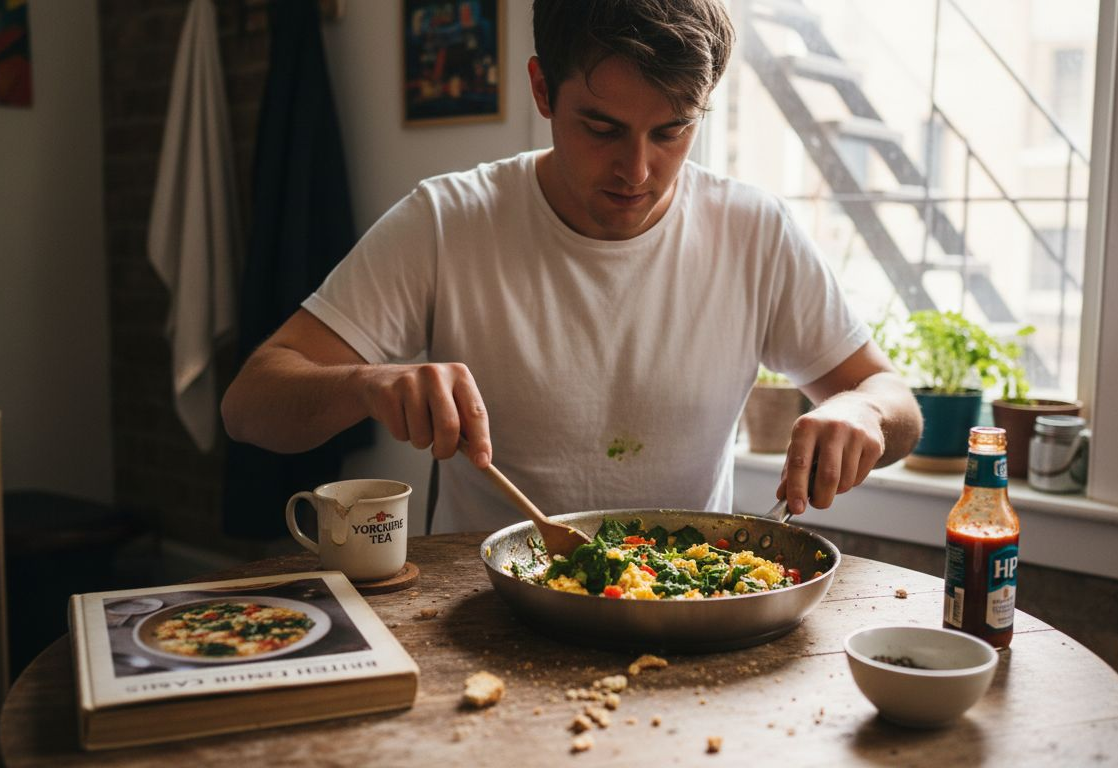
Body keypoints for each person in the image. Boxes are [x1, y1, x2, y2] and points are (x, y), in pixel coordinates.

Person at [221, 0, 922, 534]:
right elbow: (249, 406)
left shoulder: (755, 232)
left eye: (673, 129)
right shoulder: (448, 220)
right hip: (482, 617)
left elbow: (899, 406)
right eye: (602, 128)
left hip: (679, 614)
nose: (639, 171)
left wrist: (861, 409)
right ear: (541, 90)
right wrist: (369, 385)